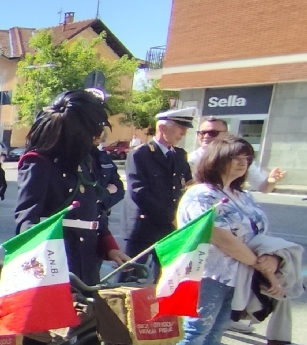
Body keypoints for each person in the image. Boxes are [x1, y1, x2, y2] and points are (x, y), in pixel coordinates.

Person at [15, 90, 129, 345]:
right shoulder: (38, 163)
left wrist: (110, 248)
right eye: (93, 130)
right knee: (40, 325)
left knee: (92, 322)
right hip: (53, 256)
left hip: (86, 256)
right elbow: (27, 217)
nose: (98, 136)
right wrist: (40, 259)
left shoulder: (89, 161)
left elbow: (97, 214)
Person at [173, 134, 284, 345]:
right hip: (208, 271)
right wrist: (262, 266)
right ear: (218, 159)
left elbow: (260, 232)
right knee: (197, 328)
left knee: (218, 328)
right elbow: (220, 237)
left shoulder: (242, 195)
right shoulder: (202, 194)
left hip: (238, 274)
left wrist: (271, 256)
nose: (243, 163)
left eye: (247, 158)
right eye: (236, 157)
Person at [126, 107, 194, 270]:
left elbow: (188, 184)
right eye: (180, 128)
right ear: (162, 128)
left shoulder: (179, 155)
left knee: (165, 278)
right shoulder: (140, 154)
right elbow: (139, 192)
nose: (183, 133)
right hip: (144, 227)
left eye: (185, 129)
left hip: (170, 229)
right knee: (130, 277)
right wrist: (170, 216)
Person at [188, 117, 285, 194]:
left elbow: (263, 188)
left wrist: (270, 181)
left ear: (226, 134)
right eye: (202, 133)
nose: (206, 136)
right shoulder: (190, 159)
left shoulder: (240, 159)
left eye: (213, 133)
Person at [92, 129, 125, 216]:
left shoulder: (104, 157)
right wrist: (107, 192)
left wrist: (103, 204)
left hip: (101, 217)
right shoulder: (77, 159)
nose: (99, 138)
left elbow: (119, 190)